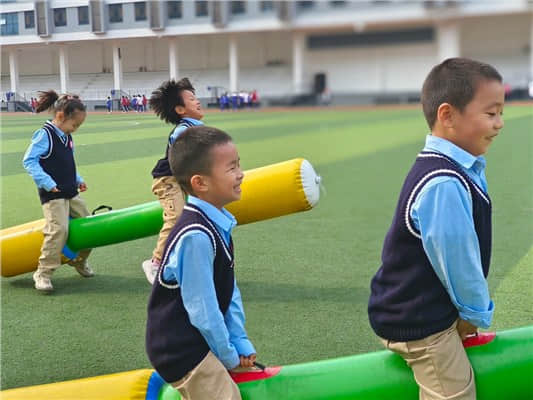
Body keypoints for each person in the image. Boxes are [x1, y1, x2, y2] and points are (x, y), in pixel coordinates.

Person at [368, 58, 505, 400]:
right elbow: (459, 261)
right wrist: (474, 314)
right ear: (448, 115)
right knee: (455, 392)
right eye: (491, 113)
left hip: (423, 307)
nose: (499, 123)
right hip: (418, 321)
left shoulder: (457, 168)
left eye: (501, 113)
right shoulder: (443, 181)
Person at [146, 125, 256, 400]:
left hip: (197, 340)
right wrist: (228, 356)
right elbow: (203, 311)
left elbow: (228, 291)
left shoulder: (217, 222)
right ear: (200, 183)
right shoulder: (196, 236)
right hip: (181, 350)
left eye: (239, 164)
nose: (241, 173)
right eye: (231, 168)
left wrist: (239, 341)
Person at [22, 90, 94, 292]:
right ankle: (43, 273)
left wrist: (78, 179)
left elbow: (67, 163)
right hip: (53, 195)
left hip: (71, 191)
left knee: (90, 227)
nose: (75, 129)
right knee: (59, 230)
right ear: (61, 116)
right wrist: (46, 182)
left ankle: (79, 261)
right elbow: (29, 161)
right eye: (75, 125)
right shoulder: (44, 135)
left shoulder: (67, 136)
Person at [142, 78, 204, 284]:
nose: (197, 101)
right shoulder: (183, 130)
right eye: (191, 99)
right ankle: (155, 262)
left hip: (183, 179)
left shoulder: (196, 127)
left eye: (195, 97)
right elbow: (182, 157)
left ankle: (181, 261)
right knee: (176, 217)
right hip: (168, 179)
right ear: (180, 109)